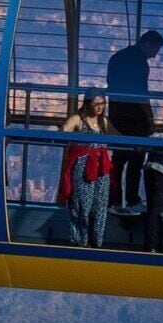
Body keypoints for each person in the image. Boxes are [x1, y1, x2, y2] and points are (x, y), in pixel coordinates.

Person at [55, 96, 113, 245]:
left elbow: (117, 136)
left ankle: (96, 241)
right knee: (82, 203)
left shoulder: (103, 121)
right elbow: (63, 131)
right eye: (96, 104)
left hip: (101, 168)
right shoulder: (78, 119)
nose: (99, 107)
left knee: (100, 204)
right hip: (83, 166)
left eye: (102, 104)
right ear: (88, 104)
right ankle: (80, 240)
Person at [104, 27, 163, 138]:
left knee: (120, 151)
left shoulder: (116, 57)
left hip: (116, 115)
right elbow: (141, 94)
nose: (154, 55)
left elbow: (111, 84)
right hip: (135, 118)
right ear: (147, 44)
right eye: (154, 50)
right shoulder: (141, 64)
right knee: (135, 151)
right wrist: (150, 118)